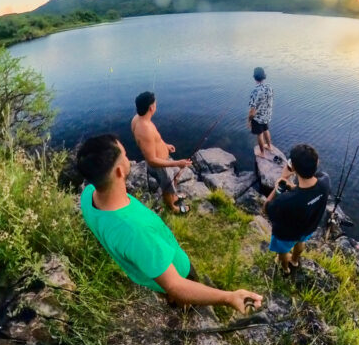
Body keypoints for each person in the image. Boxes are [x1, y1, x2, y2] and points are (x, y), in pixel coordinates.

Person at [77, 134, 263, 313]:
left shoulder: (88, 195)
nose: (128, 158)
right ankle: (186, 311)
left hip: (149, 271)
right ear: (119, 171)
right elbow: (175, 285)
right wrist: (229, 298)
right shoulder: (137, 232)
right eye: (125, 155)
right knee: (181, 297)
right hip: (179, 272)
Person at [264, 143, 330, 274]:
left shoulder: (286, 200)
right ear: (317, 163)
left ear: (292, 167)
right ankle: (295, 260)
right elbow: (307, 195)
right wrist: (293, 187)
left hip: (286, 235)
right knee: (301, 242)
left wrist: (281, 182)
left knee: (282, 252)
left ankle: (285, 268)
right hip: (308, 228)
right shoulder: (325, 181)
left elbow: (266, 208)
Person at [131, 90, 191, 215]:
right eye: (155, 103)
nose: (156, 105)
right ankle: (172, 207)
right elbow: (152, 160)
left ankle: (174, 196)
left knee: (175, 175)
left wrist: (165, 146)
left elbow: (155, 140)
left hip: (164, 160)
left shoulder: (138, 118)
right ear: (151, 107)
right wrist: (177, 162)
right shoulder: (145, 129)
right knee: (167, 186)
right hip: (160, 166)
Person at [247, 66, 273, 156]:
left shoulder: (255, 91)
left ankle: (262, 153)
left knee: (259, 134)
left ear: (254, 77)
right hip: (267, 115)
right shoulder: (269, 87)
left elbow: (252, 111)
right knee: (266, 130)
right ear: (263, 76)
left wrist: (249, 120)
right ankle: (269, 146)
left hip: (258, 118)